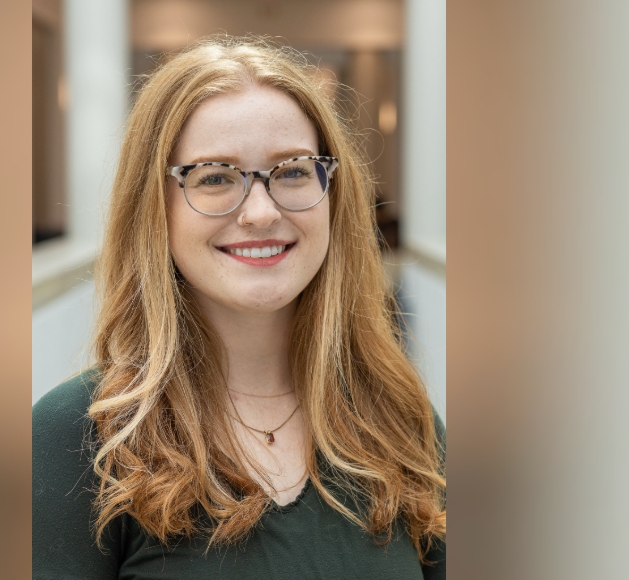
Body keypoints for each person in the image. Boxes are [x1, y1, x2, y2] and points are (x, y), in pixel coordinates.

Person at [33, 36, 446, 579]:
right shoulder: (77, 439)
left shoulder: (398, 417)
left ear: (332, 194)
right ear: (155, 209)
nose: (259, 211)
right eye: (215, 178)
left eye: (293, 171)